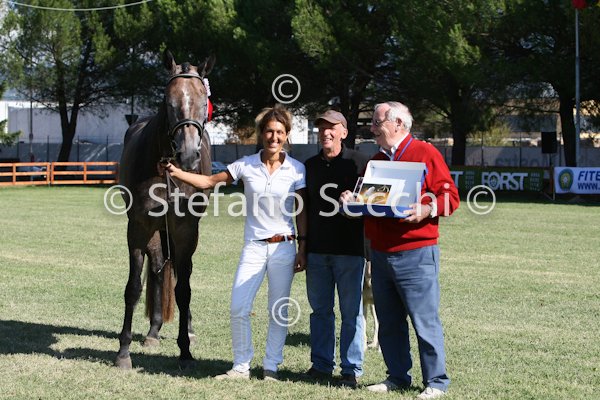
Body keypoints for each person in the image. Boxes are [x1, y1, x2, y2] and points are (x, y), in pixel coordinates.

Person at [162, 104, 307, 381]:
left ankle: (271, 366)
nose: (274, 137)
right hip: (254, 246)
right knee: (239, 307)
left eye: (279, 132)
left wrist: (303, 247)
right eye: (269, 131)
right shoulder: (246, 165)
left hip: (284, 247)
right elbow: (208, 181)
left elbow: (301, 211)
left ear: (287, 135)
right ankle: (241, 366)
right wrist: (175, 172)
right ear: (261, 134)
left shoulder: (297, 170)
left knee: (278, 310)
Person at [340, 101, 459, 399]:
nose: (371, 128)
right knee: (389, 321)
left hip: (416, 253)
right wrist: (351, 202)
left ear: (398, 124)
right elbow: (372, 205)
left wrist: (426, 209)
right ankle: (397, 376)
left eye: (376, 122)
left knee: (424, 321)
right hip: (380, 253)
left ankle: (436, 382)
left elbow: (451, 197)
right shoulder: (377, 160)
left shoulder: (426, 153)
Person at [303, 110, 370, 388]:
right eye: (321, 128)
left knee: (351, 313)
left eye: (332, 127)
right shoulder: (309, 165)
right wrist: (303, 245)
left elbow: (375, 202)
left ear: (344, 132)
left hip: (351, 251)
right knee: (320, 311)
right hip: (317, 250)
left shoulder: (361, 163)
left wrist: (356, 200)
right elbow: (303, 208)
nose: (326, 132)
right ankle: (321, 365)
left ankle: (351, 370)